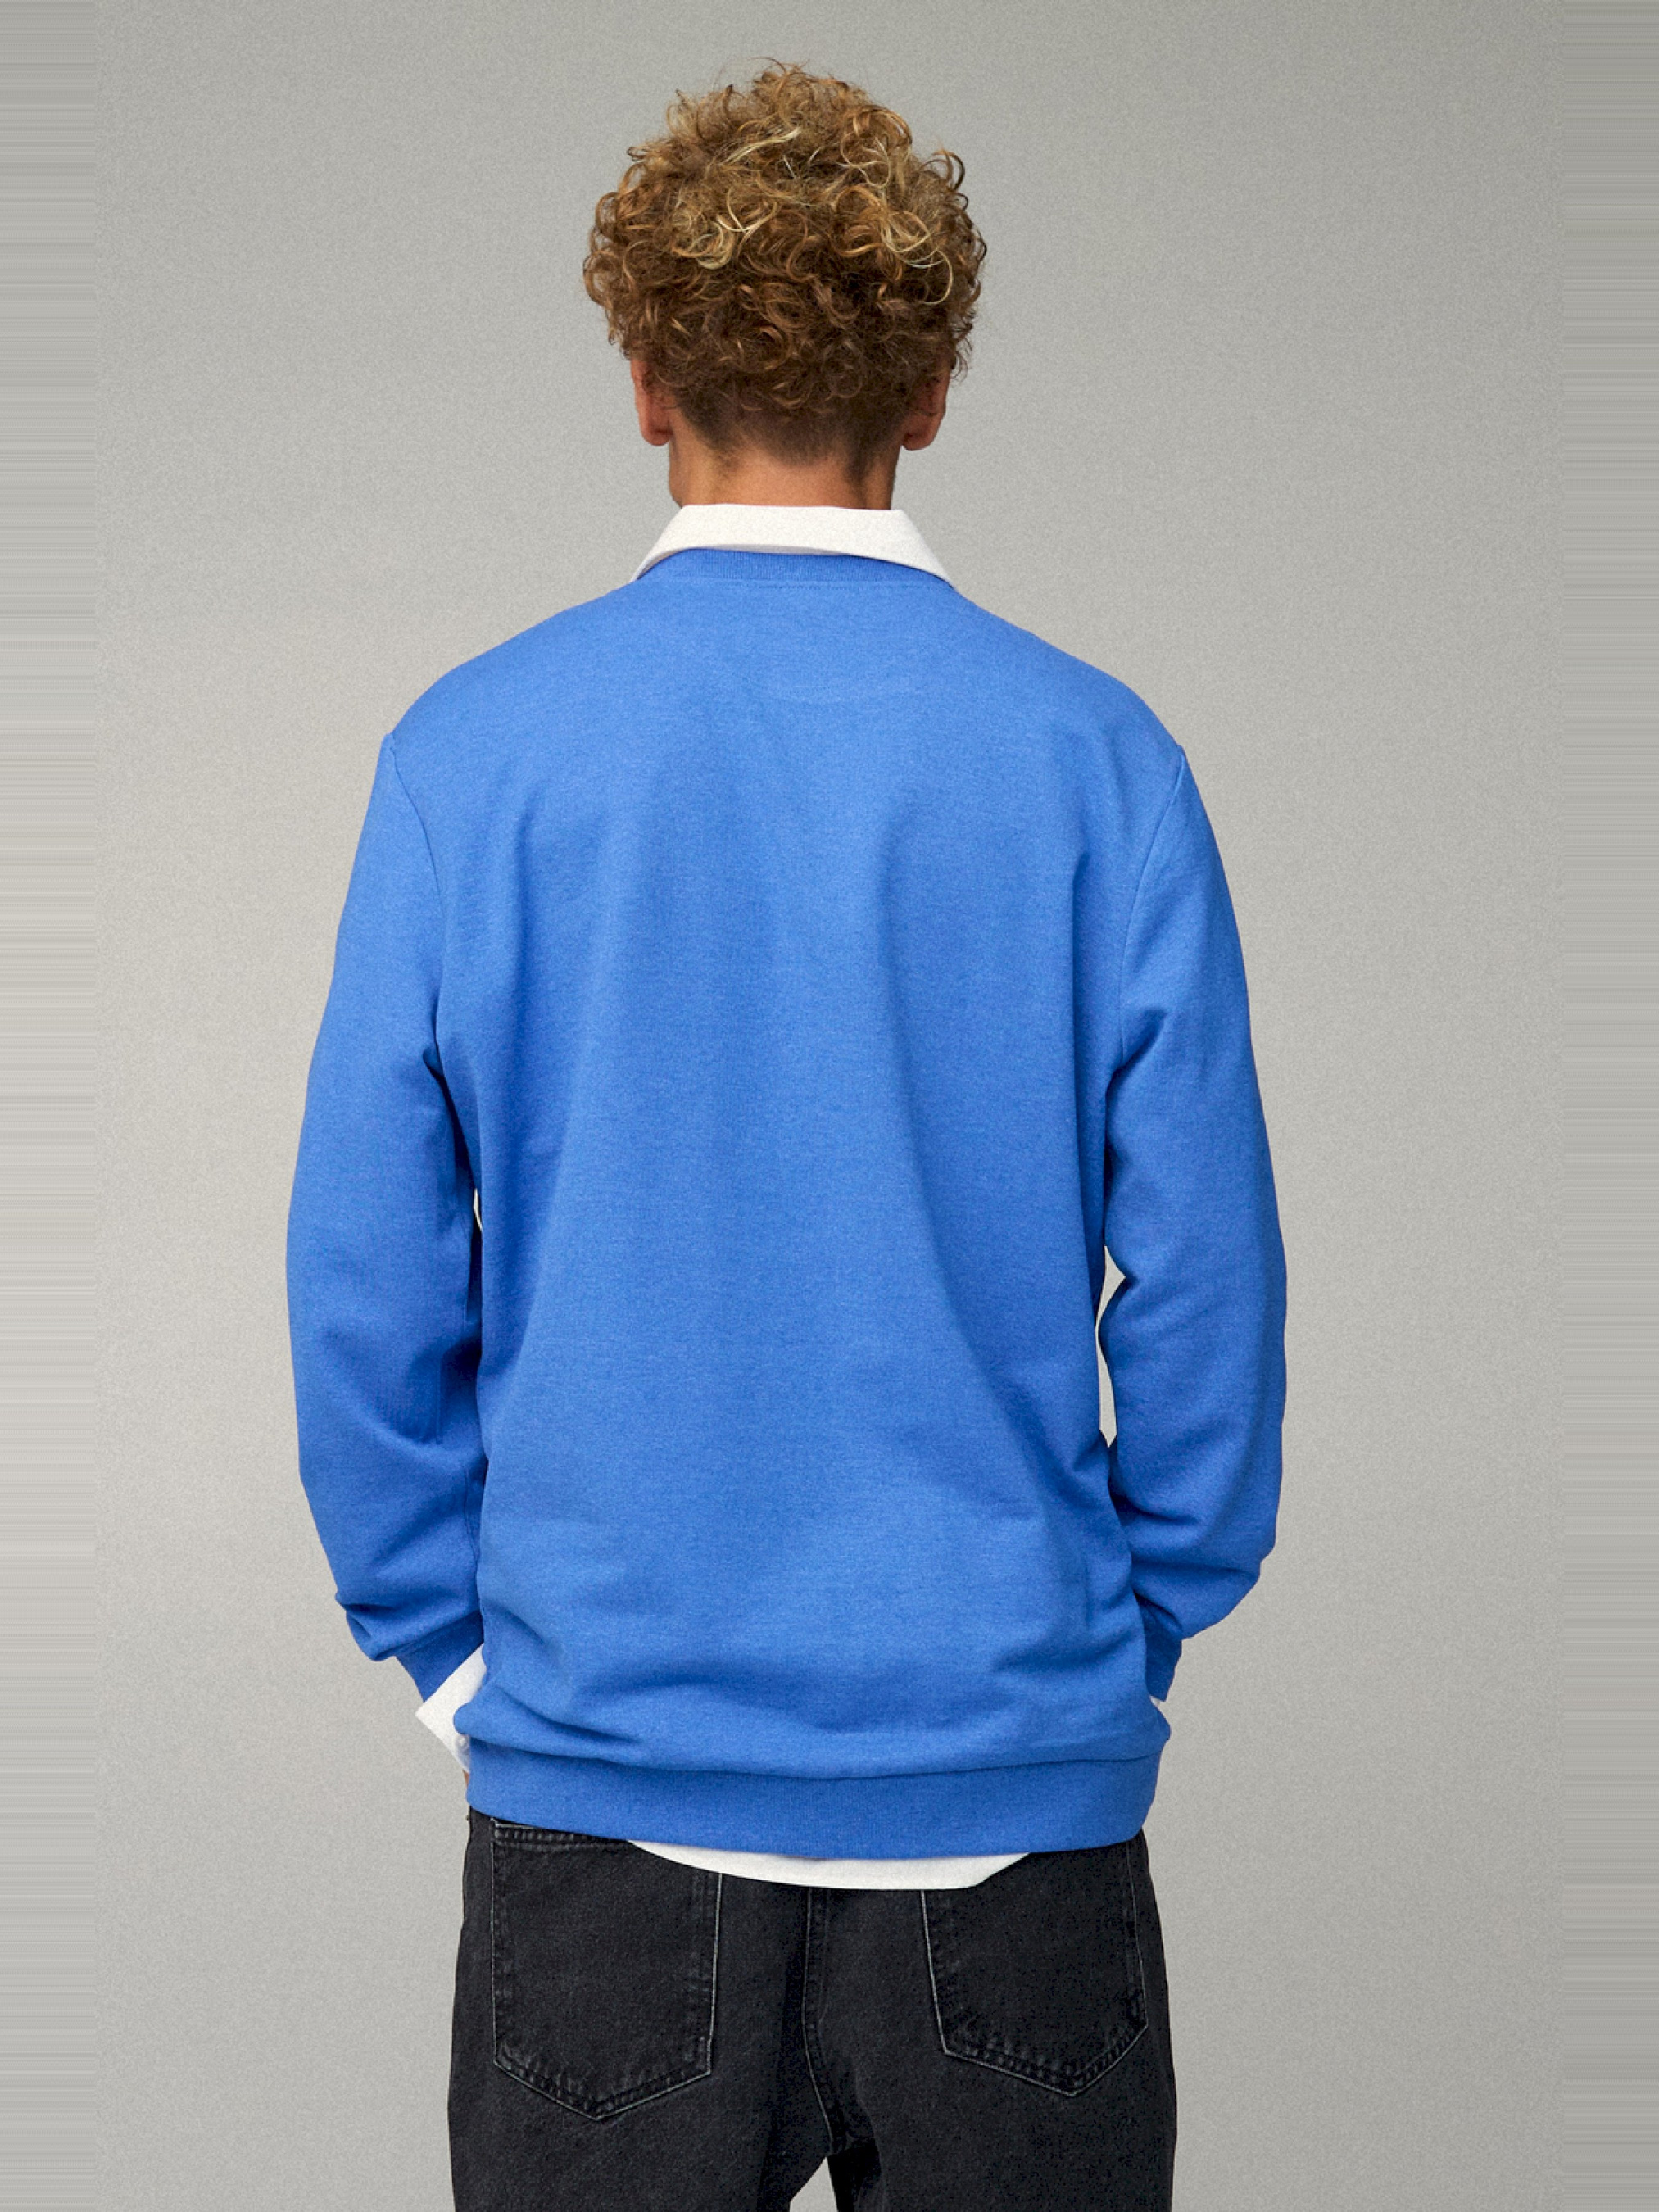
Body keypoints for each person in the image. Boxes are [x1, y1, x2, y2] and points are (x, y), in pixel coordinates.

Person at [285, 62, 1287, 2212]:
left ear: (645, 380)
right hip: (1011, 1806)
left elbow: (368, 1280)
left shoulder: (475, 757)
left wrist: (454, 1650)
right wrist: (1121, 1633)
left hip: (606, 1810)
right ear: (927, 390)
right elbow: (1206, 1278)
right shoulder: (1097, 762)